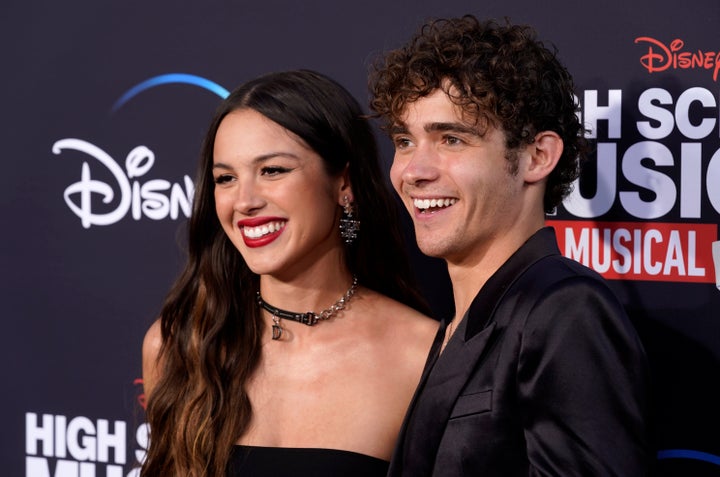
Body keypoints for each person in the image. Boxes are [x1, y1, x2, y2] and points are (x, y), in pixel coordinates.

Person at [369, 16, 650, 476]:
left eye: (452, 139)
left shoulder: (564, 311)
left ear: (537, 157)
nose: (412, 170)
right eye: (404, 140)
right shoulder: (462, 321)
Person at [141, 69, 438, 477]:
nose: (244, 201)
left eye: (273, 171)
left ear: (343, 183)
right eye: (225, 179)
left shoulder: (422, 356)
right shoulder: (179, 344)